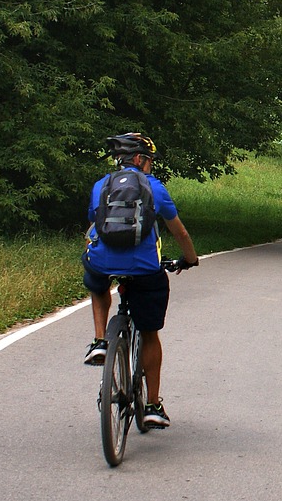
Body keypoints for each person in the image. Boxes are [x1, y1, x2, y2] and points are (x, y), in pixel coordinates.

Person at [82, 132, 198, 429]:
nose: (150, 166)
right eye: (148, 160)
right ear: (138, 159)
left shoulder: (100, 186)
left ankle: (99, 341)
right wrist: (190, 259)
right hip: (145, 269)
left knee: (97, 282)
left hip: (103, 262)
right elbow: (180, 233)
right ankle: (152, 405)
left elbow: (93, 225)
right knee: (149, 333)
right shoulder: (155, 189)